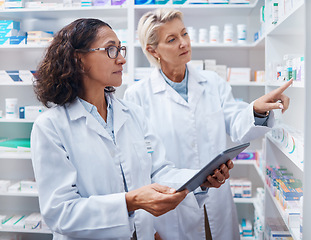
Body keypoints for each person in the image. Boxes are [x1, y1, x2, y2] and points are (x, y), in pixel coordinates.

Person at [30, 18, 234, 240]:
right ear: (79, 60)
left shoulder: (133, 113)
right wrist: (130, 202)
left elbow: (158, 171)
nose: (122, 59)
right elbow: (60, 213)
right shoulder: (51, 127)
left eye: (120, 49)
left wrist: (199, 178)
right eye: (110, 50)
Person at [124, 8, 293, 240]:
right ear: (153, 51)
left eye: (184, 33)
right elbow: (139, 165)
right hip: (171, 207)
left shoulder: (212, 82)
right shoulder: (137, 96)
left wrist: (256, 109)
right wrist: (148, 229)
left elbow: (236, 122)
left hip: (216, 198)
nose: (184, 43)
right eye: (172, 39)